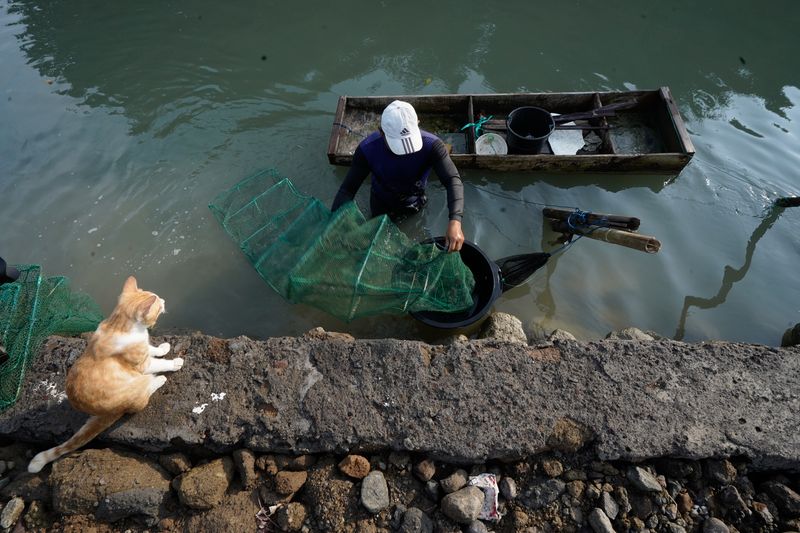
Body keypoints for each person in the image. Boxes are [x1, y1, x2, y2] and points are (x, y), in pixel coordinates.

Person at [332, 100, 465, 252]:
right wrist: (334, 224)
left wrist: (455, 220)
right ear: (381, 132)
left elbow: (452, 179)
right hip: (380, 204)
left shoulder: (432, 145)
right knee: (377, 243)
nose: (406, 151)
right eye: (398, 144)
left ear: (418, 123)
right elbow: (347, 190)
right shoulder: (367, 149)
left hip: (415, 202)